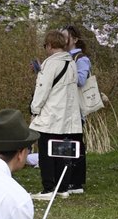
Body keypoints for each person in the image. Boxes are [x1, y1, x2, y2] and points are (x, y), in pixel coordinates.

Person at [30, 30, 81, 201]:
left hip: (51, 115)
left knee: (47, 153)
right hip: (67, 116)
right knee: (63, 153)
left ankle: (48, 188)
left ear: (50, 45)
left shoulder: (50, 64)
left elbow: (42, 89)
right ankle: (63, 187)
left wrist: (34, 109)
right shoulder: (71, 63)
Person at [62, 25, 92, 194]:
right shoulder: (63, 58)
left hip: (76, 108)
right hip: (66, 107)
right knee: (67, 142)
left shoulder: (80, 59)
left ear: (74, 39)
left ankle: (76, 181)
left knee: (75, 142)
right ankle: (70, 179)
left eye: (65, 37)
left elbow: (81, 80)